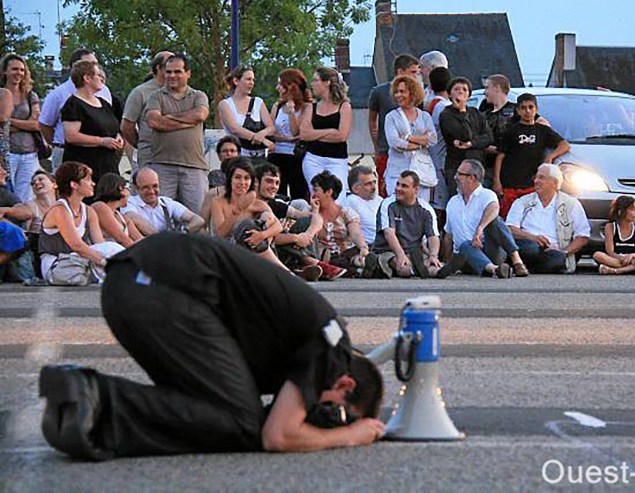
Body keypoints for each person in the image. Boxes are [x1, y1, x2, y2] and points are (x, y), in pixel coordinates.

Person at [38, 231, 385, 460]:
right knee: (241, 421)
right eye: (337, 411)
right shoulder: (332, 348)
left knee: (211, 410)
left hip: (129, 285)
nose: (323, 416)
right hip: (162, 291)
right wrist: (349, 435)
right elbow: (276, 436)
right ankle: (95, 399)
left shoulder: (311, 342)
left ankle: (85, 408)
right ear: (345, 384)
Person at [145, 53, 210, 215]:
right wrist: (188, 119)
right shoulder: (156, 96)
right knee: (161, 217)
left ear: (188, 73)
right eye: (168, 72)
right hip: (162, 165)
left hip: (194, 167)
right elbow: (154, 122)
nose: (172, 76)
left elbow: (200, 115)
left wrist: (166, 119)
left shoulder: (198, 96)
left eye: (177, 72)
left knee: (198, 218)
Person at [39, 161, 124, 283]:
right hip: (58, 266)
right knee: (78, 272)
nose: (93, 184)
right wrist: (105, 262)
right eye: (88, 179)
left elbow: (100, 245)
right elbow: (76, 245)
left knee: (110, 247)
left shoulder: (89, 211)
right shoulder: (60, 210)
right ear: (74, 184)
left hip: (82, 261)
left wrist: (107, 257)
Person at [443, 159, 528, 279]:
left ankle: (517, 262)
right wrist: (447, 263)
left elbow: (494, 208)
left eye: (460, 174)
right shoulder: (452, 202)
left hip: (489, 250)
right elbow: (448, 235)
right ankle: (495, 270)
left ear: (472, 178)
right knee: (465, 245)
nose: (455, 177)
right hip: (466, 257)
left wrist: (480, 229)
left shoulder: (487, 194)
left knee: (495, 221)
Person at [493, 93, 570, 218]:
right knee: (510, 219)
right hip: (510, 184)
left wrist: (550, 157)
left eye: (530, 107)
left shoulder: (543, 130)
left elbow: (565, 145)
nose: (527, 111)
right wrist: (497, 182)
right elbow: (500, 157)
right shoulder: (510, 131)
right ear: (518, 110)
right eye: (523, 108)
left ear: (536, 109)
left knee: (530, 219)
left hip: (532, 184)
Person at [506, 163, 590, 274]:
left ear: (555, 183)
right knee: (530, 249)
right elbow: (509, 229)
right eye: (535, 177)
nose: (536, 181)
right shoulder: (522, 202)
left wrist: (564, 251)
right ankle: (527, 266)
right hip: (528, 246)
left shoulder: (571, 204)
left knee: (558, 259)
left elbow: (583, 236)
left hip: (554, 250)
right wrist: (533, 237)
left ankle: (529, 269)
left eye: (541, 178)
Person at [39, 48, 113, 171]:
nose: (96, 68)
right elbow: (45, 124)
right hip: (69, 155)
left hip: (100, 155)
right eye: (91, 64)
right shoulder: (59, 95)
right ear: (76, 66)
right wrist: (59, 145)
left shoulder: (103, 91)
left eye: (96, 63)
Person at [252, 161, 325, 281]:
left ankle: (307, 265)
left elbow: (313, 218)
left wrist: (307, 235)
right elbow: (264, 239)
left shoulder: (274, 204)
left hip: (281, 252)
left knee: (306, 222)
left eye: (277, 183)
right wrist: (295, 238)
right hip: (260, 253)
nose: (274, 187)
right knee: (281, 235)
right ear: (256, 182)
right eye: (269, 181)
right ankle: (310, 262)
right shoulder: (250, 205)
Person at [210, 158, 286, 269]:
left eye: (246, 178)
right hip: (230, 252)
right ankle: (284, 272)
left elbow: (278, 226)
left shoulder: (258, 204)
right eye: (237, 177)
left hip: (257, 251)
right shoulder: (218, 202)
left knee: (267, 217)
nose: (242, 183)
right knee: (247, 225)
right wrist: (237, 211)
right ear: (230, 179)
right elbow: (220, 235)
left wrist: (261, 235)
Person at [60, 60, 124, 185]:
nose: (102, 78)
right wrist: (102, 141)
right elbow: (71, 136)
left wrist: (118, 137)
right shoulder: (73, 104)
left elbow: (112, 127)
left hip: (108, 167)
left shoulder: (104, 103)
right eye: (98, 75)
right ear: (87, 78)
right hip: (86, 170)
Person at [372, 171, 441, 278]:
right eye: (398, 184)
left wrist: (433, 256)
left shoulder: (426, 209)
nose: (398, 189)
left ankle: (437, 270)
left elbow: (433, 236)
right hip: (389, 251)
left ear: (416, 190)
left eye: (404, 186)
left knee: (434, 267)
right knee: (404, 270)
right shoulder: (388, 204)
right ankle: (419, 269)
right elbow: (389, 234)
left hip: (414, 252)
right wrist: (401, 255)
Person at [369, 54, 420, 197]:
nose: (416, 76)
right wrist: (377, 146)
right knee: (388, 190)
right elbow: (372, 119)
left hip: (411, 153)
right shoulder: (379, 92)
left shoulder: (416, 94)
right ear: (400, 72)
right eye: (413, 72)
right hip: (386, 150)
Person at [300, 67, 351, 199]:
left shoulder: (344, 106)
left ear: (327, 82)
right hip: (313, 158)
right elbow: (304, 134)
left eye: (316, 80)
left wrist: (315, 134)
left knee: (338, 198)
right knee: (317, 196)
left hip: (337, 160)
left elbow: (341, 136)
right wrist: (329, 131)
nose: (312, 84)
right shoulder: (312, 107)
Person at [384, 75, 437, 201]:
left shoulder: (425, 116)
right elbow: (395, 143)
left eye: (402, 91)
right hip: (397, 171)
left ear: (412, 93)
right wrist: (421, 143)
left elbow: (433, 139)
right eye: (396, 92)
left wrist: (408, 137)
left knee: (421, 207)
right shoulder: (391, 117)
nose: (398, 95)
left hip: (421, 173)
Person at [439, 77, 492, 198]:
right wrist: (462, 110)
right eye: (456, 89)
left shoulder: (476, 113)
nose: (461, 92)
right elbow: (464, 135)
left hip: (477, 165)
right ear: (450, 93)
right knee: (459, 199)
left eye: (464, 89)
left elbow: (488, 137)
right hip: (457, 166)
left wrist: (472, 143)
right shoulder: (446, 115)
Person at [120, 51, 174, 170]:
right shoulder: (140, 93)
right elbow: (126, 127)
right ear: (159, 68)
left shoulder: (180, 92)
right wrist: (143, 143)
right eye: (169, 64)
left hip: (177, 157)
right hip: (151, 158)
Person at [310, 171, 368, 279]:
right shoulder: (309, 212)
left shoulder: (346, 212)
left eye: (315, 190)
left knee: (356, 256)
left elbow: (356, 233)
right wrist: (314, 213)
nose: (312, 194)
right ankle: (359, 269)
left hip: (345, 254)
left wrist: (363, 247)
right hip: (322, 256)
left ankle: (361, 264)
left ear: (328, 192)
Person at [1, 53, 41, 202]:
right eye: (14, 69)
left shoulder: (31, 96)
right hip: (6, 154)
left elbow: (36, 125)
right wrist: (25, 125)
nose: (19, 73)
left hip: (29, 154)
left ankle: (22, 226)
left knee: (25, 198)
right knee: (6, 195)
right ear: (5, 71)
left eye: (22, 70)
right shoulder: (1, 95)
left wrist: (7, 121)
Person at [268, 68, 312, 200]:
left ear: (290, 86)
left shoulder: (307, 107)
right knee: (277, 194)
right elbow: (270, 131)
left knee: (298, 193)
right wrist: (285, 139)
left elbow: (297, 132)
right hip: (277, 154)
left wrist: (291, 112)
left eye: (280, 84)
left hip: (295, 156)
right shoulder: (277, 106)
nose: (277, 88)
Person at [218, 66, 275, 166]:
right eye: (248, 79)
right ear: (236, 81)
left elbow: (271, 127)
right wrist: (260, 139)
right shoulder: (225, 104)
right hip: (238, 157)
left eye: (253, 80)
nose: (251, 83)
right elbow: (234, 128)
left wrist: (262, 133)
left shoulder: (258, 102)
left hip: (259, 157)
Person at [122, 167, 204, 235]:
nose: (151, 191)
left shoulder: (166, 203)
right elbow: (131, 217)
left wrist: (184, 230)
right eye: (146, 187)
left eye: (155, 186)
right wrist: (162, 238)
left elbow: (198, 220)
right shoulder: (130, 203)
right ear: (136, 189)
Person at [426, 67, 452, 224]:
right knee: (440, 204)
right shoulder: (443, 107)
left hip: (431, 158)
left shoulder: (429, 103)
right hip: (440, 160)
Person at [201, 135, 242, 229]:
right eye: (225, 151)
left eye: (232, 151)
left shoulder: (246, 178)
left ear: (238, 154)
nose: (229, 154)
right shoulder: (214, 175)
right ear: (219, 155)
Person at [92, 173, 143, 248]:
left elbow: (140, 239)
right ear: (120, 188)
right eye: (127, 188)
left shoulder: (121, 217)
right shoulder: (100, 207)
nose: (129, 193)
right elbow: (121, 238)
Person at [340, 165, 382, 245]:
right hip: (366, 248)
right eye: (368, 184)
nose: (374, 187)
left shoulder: (379, 200)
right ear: (356, 188)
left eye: (374, 182)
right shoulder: (351, 201)